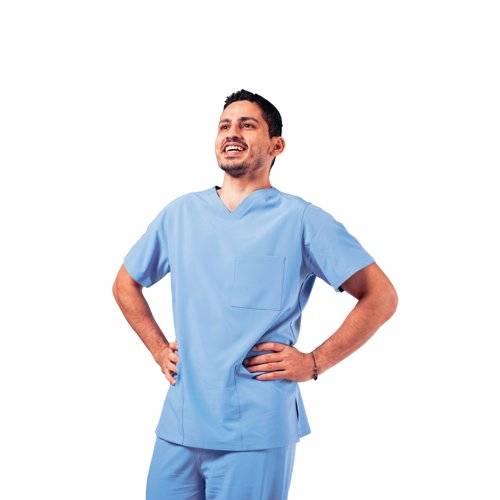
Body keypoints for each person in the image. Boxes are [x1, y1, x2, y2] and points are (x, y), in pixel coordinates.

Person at [112, 89, 398, 499]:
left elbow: (380, 296)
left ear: (276, 145)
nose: (232, 133)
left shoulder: (301, 220)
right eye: (224, 126)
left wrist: (314, 362)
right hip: (181, 422)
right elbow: (125, 283)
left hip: (257, 426)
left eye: (247, 125)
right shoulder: (180, 215)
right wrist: (159, 349)